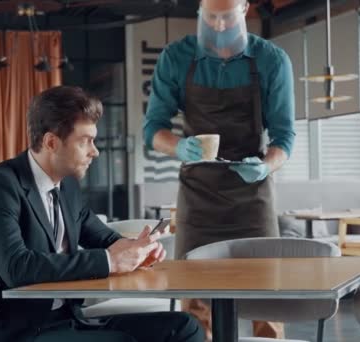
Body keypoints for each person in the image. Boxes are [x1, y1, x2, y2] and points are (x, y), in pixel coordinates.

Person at [0, 86, 204, 342]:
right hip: (16, 331)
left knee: (186, 327)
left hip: (67, 319)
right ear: (51, 142)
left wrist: (137, 250)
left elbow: (103, 239)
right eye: (85, 140)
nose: (95, 151)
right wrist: (111, 261)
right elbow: (18, 268)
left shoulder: (67, 186)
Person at [143, 0, 295, 339]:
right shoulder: (176, 58)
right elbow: (153, 130)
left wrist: (266, 166)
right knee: (195, 303)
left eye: (227, 17)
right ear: (199, 10)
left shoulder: (271, 60)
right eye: (211, 17)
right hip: (199, 197)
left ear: (244, 8)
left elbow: (285, 137)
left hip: (252, 195)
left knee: (267, 298)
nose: (220, 26)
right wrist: (179, 147)